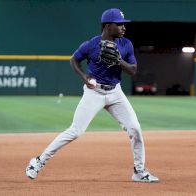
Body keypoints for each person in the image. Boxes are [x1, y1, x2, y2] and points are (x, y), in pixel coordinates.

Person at [25, 8, 159, 183]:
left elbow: (133, 71)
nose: (123, 27)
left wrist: (119, 61)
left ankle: (139, 171)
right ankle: (38, 161)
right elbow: (73, 60)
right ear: (108, 26)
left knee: (135, 129)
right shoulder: (91, 45)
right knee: (75, 131)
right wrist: (85, 76)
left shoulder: (126, 44)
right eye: (119, 24)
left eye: (123, 24)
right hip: (94, 93)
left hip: (115, 92)